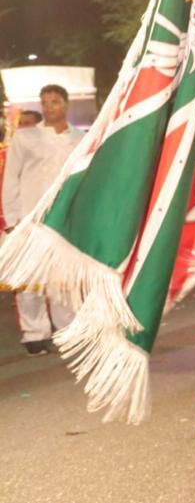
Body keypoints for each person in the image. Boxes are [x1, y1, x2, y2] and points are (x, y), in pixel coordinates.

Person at [2, 85, 82, 356]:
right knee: (30, 281)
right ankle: (34, 334)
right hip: (30, 218)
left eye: (55, 102)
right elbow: (11, 177)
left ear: (66, 104)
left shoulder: (81, 139)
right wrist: (13, 219)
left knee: (63, 279)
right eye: (45, 102)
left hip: (66, 218)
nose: (49, 107)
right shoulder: (26, 138)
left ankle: (67, 328)